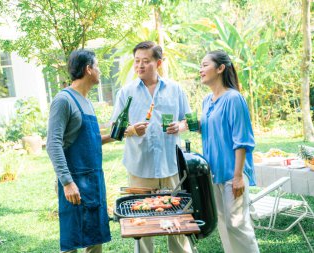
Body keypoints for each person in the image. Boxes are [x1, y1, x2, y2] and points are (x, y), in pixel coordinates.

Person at [111, 41, 192, 253]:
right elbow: (115, 130)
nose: (140, 66)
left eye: (145, 61)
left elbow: (190, 120)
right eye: (137, 61)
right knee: (142, 221)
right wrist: (131, 130)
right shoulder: (126, 92)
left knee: (177, 218)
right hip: (140, 166)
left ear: (158, 63)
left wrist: (180, 126)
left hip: (170, 165)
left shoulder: (175, 89)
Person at [47, 49, 111, 253]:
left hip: (93, 181)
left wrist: (119, 134)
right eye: (97, 66)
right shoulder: (63, 100)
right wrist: (67, 183)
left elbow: (91, 140)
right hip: (73, 183)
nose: (100, 71)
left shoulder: (87, 102)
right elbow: (53, 143)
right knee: (73, 240)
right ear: (88, 69)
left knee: (95, 238)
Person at [197, 50, 260, 253]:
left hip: (232, 174)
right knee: (224, 223)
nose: (201, 70)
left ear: (221, 68)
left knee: (238, 225)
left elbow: (242, 140)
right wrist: (188, 125)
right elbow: (211, 128)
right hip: (213, 172)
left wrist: (238, 176)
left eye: (205, 65)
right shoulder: (207, 100)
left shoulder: (233, 98)